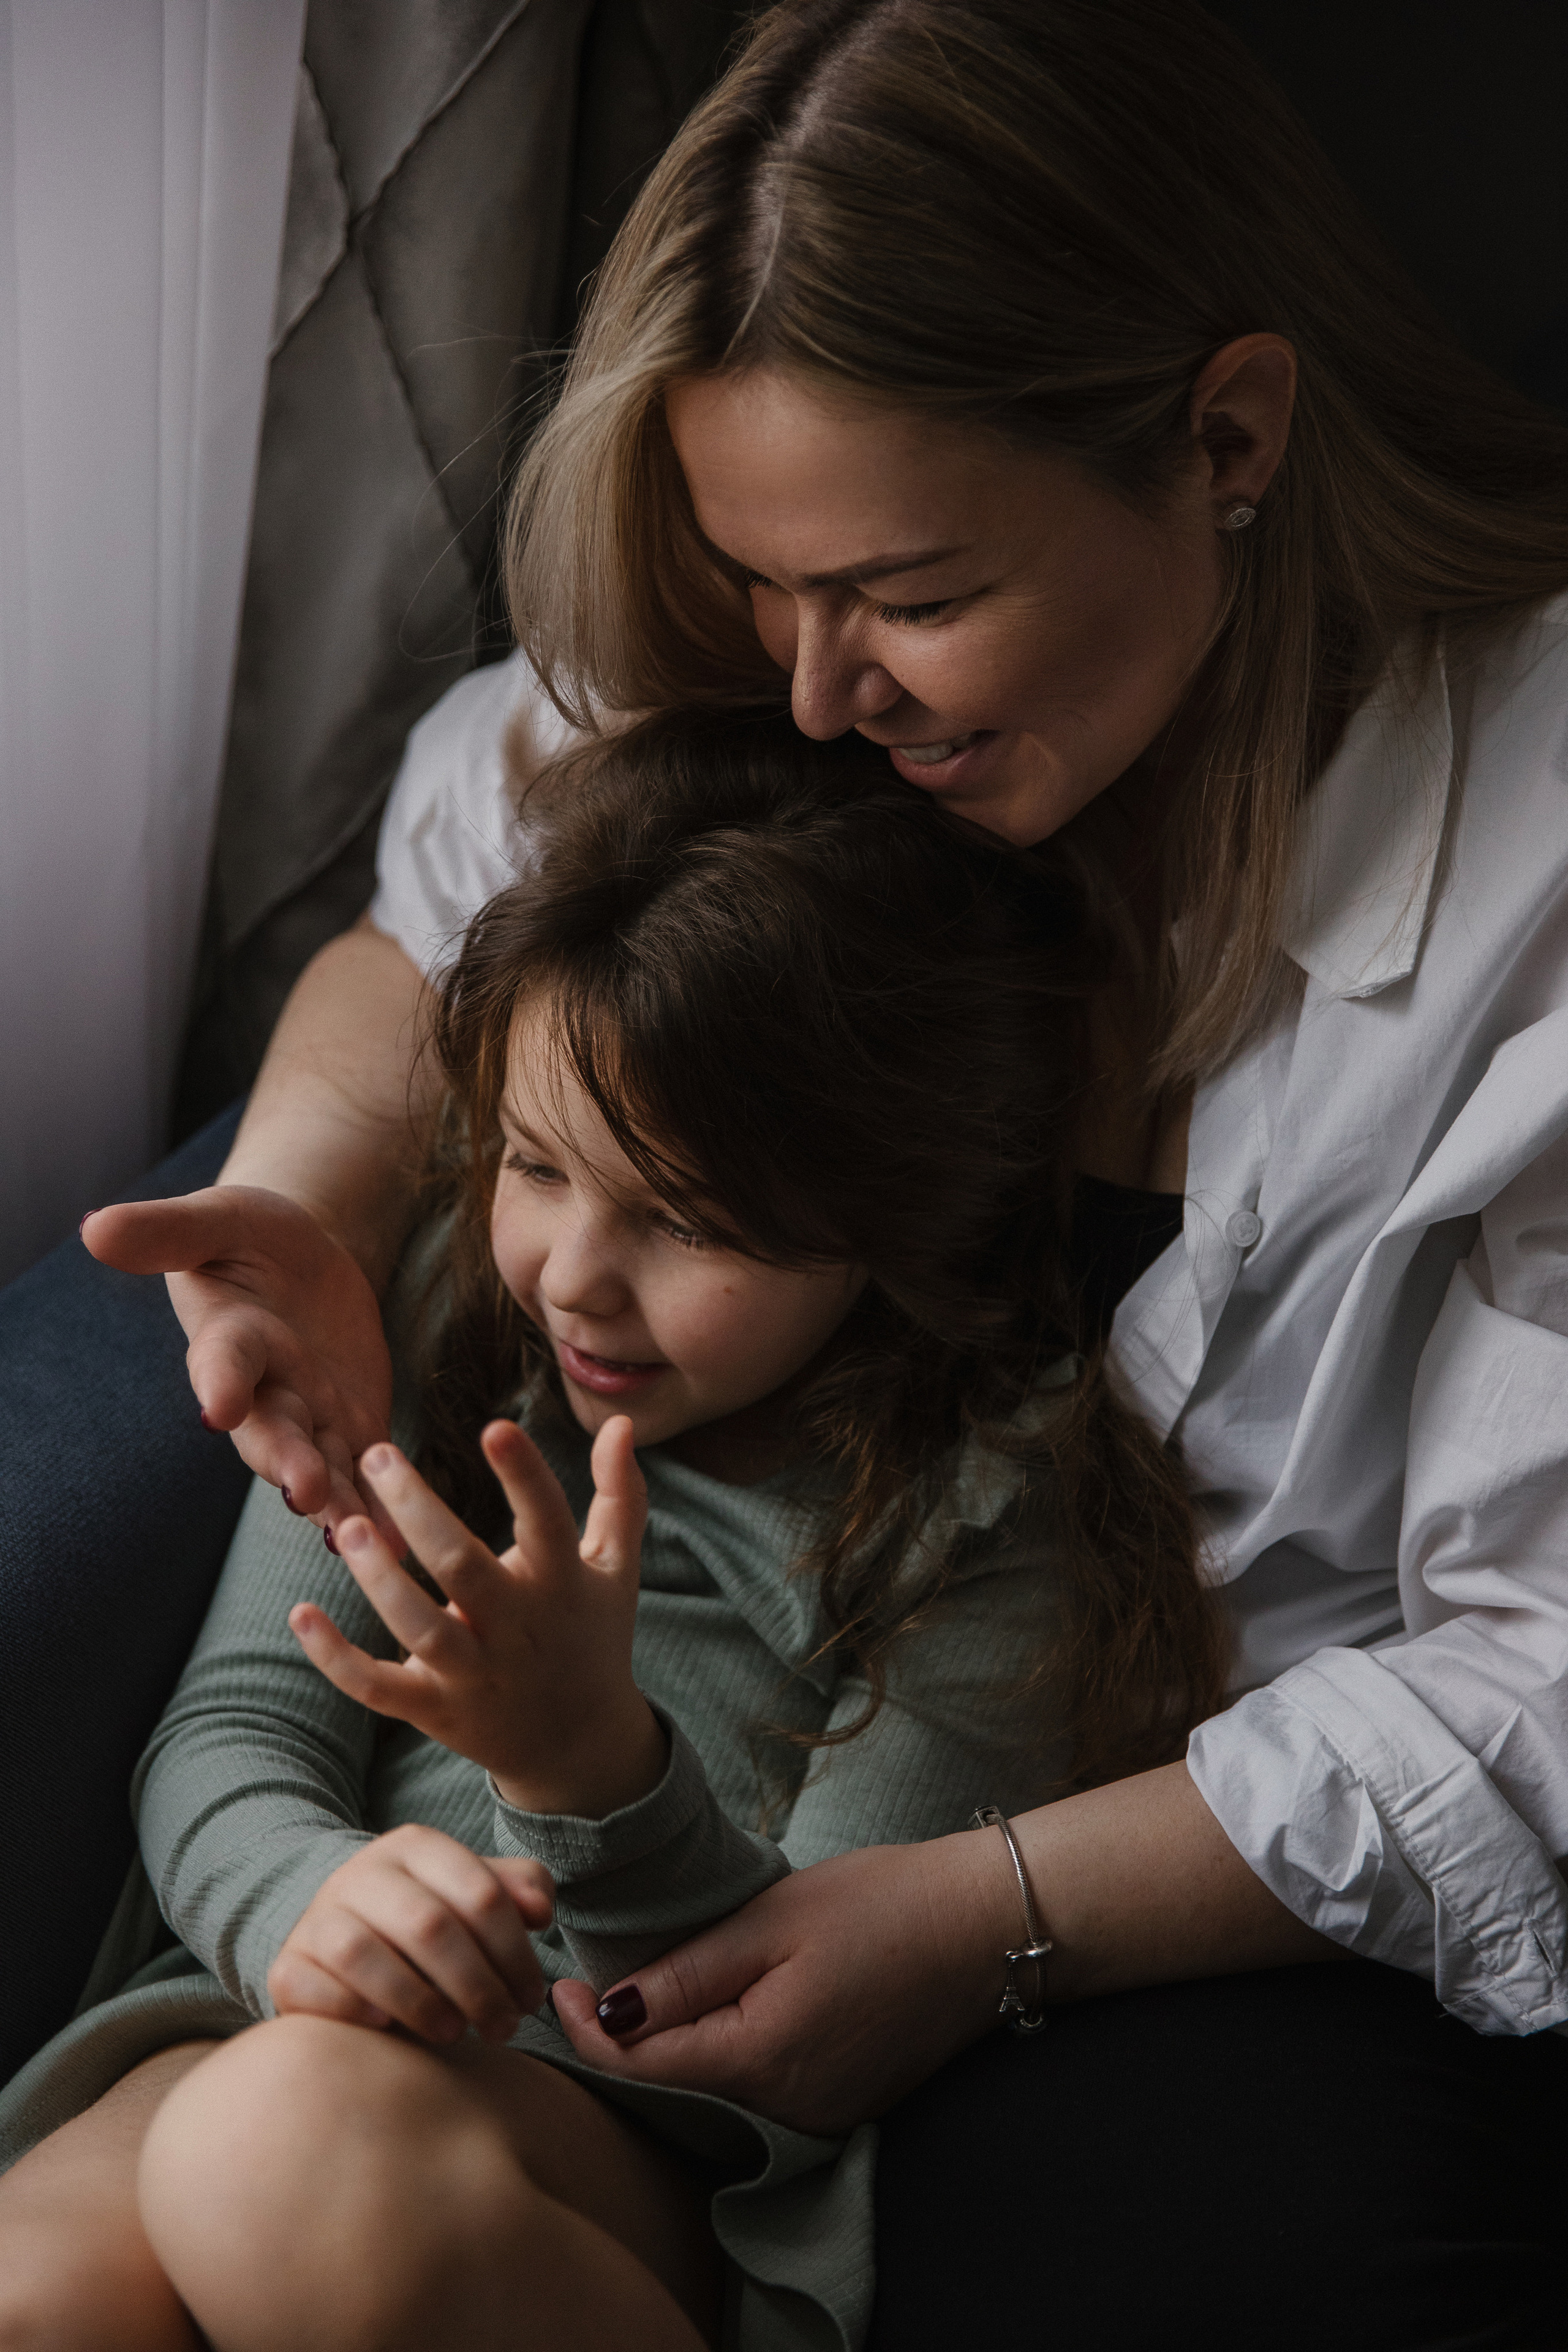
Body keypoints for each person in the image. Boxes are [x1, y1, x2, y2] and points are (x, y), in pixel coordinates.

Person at [54, 0, 1568, 2341]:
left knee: (288, 2166)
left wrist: (943, 1902)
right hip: (386, 2001)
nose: (809, 697)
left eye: (908, 593)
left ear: (1230, 434)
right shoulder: (767, 720)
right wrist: (321, 1198)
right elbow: (440, 902)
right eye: (762, 587)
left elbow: (1538, 1679)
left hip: (1100, 1887)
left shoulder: (1515, 885)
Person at [0, 715, 1220, 2351]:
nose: (573, 1273)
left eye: (686, 1218)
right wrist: (303, 1903)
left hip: (619, 2140)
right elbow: (233, 1729)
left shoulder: (982, 1503)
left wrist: (589, 1767)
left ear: (892, 1203)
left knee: (274, 2149)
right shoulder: (445, 1331)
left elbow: (795, 2015)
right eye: (535, 1165)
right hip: (253, 2001)